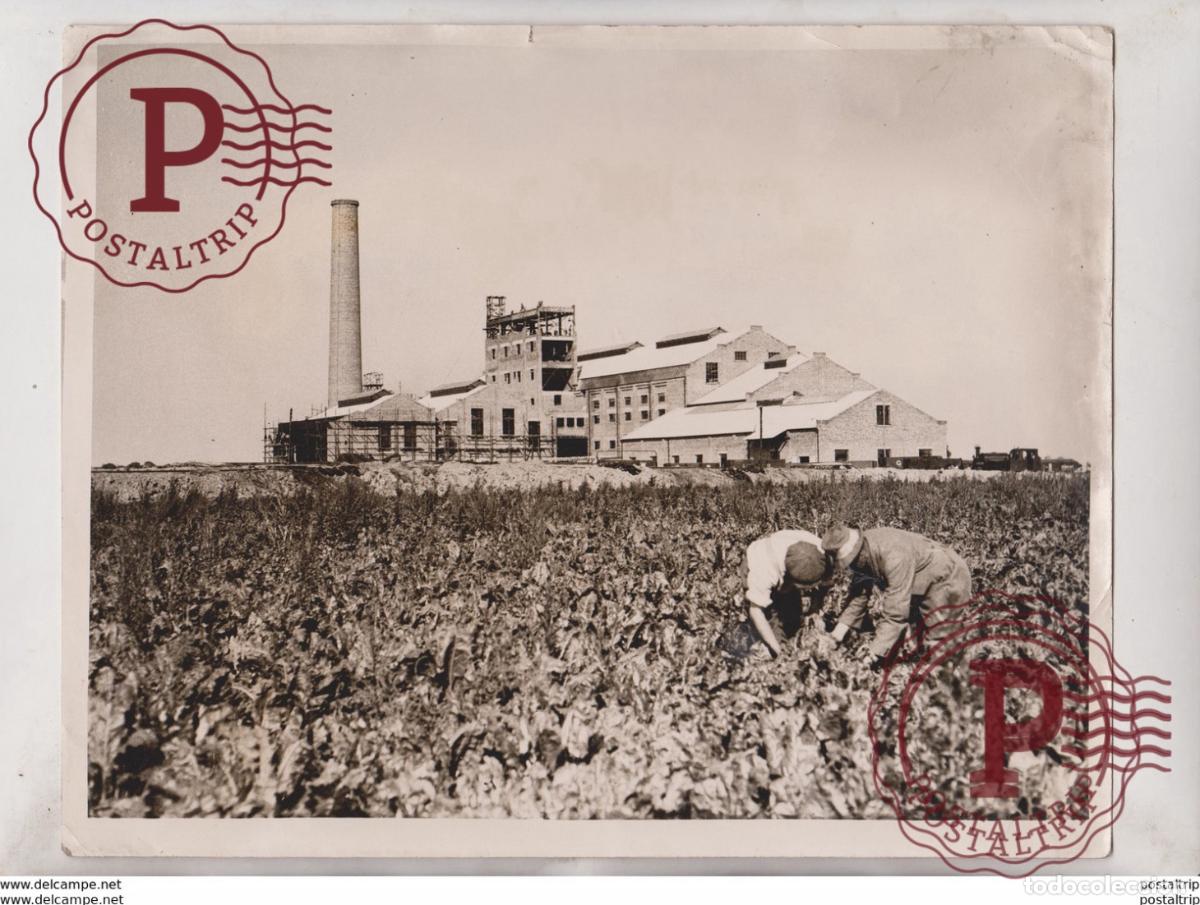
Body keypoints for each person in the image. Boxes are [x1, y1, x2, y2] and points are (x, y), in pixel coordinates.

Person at [821, 524, 972, 666]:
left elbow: (896, 613)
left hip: (947, 576)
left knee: (939, 640)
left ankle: (950, 679)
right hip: (918, 582)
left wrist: (871, 655)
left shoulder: (893, 554)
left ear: (859, 551)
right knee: (915, 643)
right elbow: (859, 595)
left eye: (851, 560)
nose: (851, 566)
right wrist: (836, 635)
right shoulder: (862, 556)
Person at [720, 529, 831, 660]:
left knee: (793, 618)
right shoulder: (763, 572)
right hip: (757, 559)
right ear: (790, 578)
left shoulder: (819, 551)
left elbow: (827, 580)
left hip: (782, 558)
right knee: (772, 622)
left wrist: (815, 610)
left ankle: (792, 633)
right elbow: (756, 612)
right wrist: (781, 654)